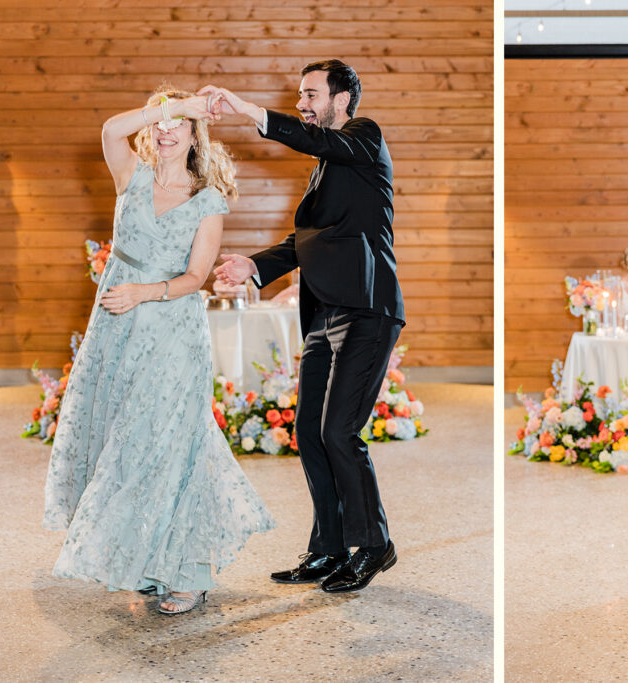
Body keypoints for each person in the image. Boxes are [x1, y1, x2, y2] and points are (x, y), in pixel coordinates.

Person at [43, 87, 276, 616]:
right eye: (161, 123)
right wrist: (172, 106)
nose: (167, 132)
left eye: (179, 124)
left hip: (171, 330)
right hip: (116, 331)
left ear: (196, 134)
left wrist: (143, 293)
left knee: (170, 442)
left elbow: (196, 277)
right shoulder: (132, 175)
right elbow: (109, 130)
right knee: (122, 441)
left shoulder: (208, 198)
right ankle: (150, 562)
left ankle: (189, 572)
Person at [201, 59, 405, 594]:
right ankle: (328, 548)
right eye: (300, 94)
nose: (302, 102)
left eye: (311, 93)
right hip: (322, 315)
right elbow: (306, 241)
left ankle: (375, 544)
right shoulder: (328, 166)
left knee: (340, 431)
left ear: (341, 100)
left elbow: (322, 143)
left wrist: (248, 111)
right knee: (310, 434)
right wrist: (254, 266)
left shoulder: (363, 139)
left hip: (366, 309)